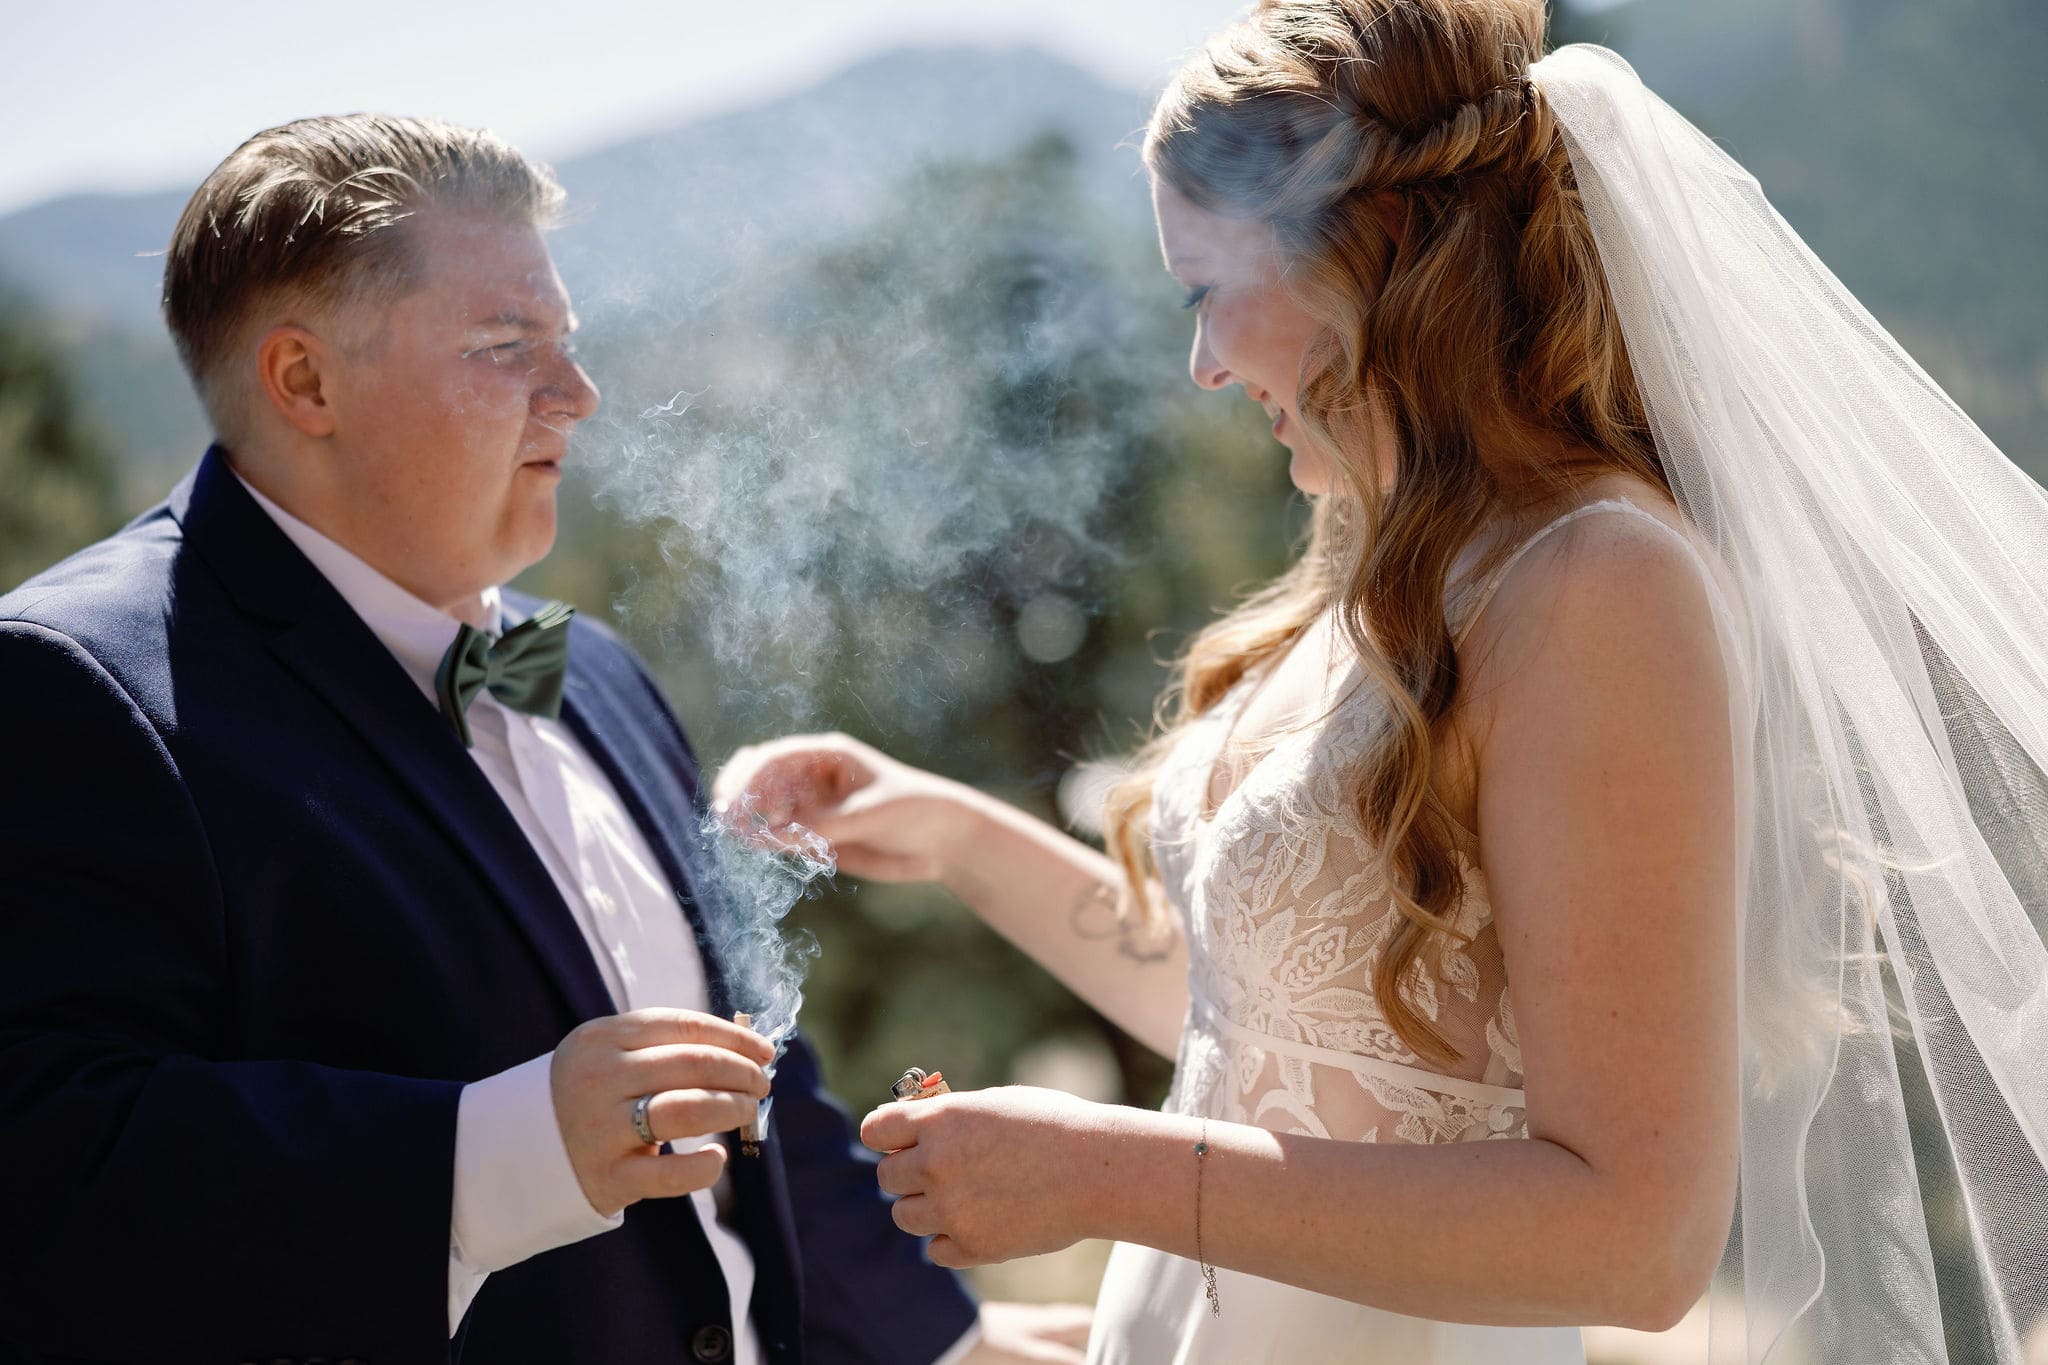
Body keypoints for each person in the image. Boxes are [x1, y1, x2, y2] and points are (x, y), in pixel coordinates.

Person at [716, 2, 2048, 1361]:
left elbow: (1641, 1238)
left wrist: (1102, 1175)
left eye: (1203, 291)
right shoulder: (1399, 558)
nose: (1202, 364)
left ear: (1363, 254)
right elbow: (1285, 1020)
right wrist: (951, 835)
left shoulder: (1597, 585)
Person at [0, 114, 1091, 1365]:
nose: (579, 395)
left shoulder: (596, 669)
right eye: (509, 348)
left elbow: (745, 1084)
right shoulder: (68, 683)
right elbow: (44, 1163)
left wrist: (941, 1345)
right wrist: (498, 1151)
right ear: (304, 383)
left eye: (565, 346)